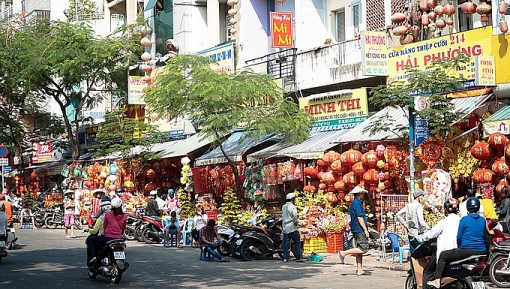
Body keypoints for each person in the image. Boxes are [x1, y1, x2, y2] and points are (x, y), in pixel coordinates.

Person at [427, 197, 487, 289]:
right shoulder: (483, 220)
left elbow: (459, 237)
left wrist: (459, 246)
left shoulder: (464, 219)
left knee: (443, 255)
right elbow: (483, 234)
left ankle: (437, 280)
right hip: (482, 251)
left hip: (467, 250)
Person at [414, 198, 461, 289]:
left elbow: (430, 234)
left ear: (446, 209)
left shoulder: (443, 222)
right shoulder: (462, 221)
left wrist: (419, 237)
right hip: (459, 253)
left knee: (427, 272)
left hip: (444, 254)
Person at [338, 186, 369, 275]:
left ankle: (359, 269)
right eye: (362, 193)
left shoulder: (354, 203)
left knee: (359, 250)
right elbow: (359, 217)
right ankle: (344, 253)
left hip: (355, 228)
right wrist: (365, 229)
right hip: (359, 229)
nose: (363, 195)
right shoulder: (357, 203)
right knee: (363, 249)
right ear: (359, 194)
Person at [89, 197, 127, 264]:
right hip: (119, 238)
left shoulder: (108, 214)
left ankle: (94, 257)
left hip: (108, 238)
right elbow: (123, 228)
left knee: (91, 239)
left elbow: (105, 226)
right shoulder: (124, 216)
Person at [281, 192, 303, 262]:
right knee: (297, 242)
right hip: (292, 227)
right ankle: (298, 257)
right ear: (292, 199)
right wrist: (295, 222)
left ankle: (285, 258)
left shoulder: (283, 206)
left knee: (286, 243)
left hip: (285, 227)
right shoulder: (293, 207)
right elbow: (295, 216)